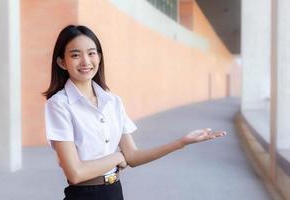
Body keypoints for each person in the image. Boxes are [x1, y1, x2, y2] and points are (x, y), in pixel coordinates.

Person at [43, 25, 227, 200]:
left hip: (115, 191)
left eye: (91, 53)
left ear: (99, 57)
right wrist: (118, 156)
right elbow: (75, 173)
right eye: (75, 55)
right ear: (62, 62)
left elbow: (134, 156)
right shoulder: (59, 105)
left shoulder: (113, 102)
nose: (85, 61)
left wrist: (182, 142)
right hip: (84, 195)